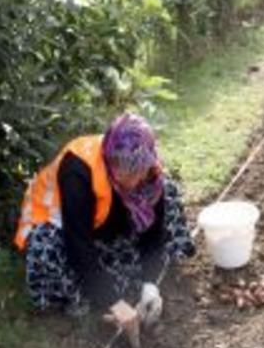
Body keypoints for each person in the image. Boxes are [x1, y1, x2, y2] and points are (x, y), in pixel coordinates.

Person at [13, 113, 195, 324]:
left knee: (167, 192)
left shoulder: (149, 174)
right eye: (122, 173)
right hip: (65, 228)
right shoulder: (77, 172)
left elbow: (153, 229)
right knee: (46, 247)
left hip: (103, 225)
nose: (129, 181)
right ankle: (84, 293)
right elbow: (78, 243)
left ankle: (122, 276)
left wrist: (150, 283)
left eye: (136, 173)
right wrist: (113, 302)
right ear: (109, 159)